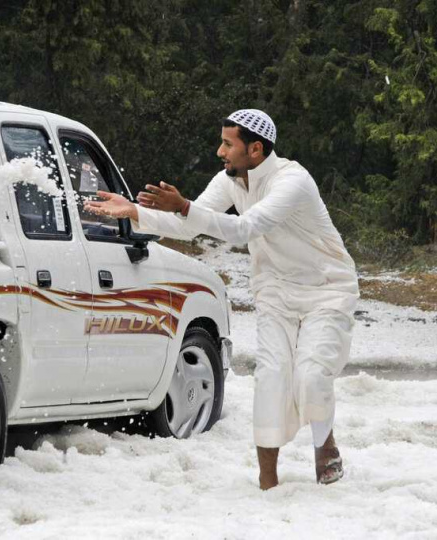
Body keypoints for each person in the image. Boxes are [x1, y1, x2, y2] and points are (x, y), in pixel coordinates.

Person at [84, 109, 359, 489]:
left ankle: (324, 448)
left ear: (256, 149)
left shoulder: (292, 181)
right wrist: (137, 213)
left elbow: (245, 228)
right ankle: (268, 484)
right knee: (271, 378)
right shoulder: (230, 180)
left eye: (228, 144)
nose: (219, 152)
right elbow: (189, 224)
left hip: (326, 288)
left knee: (311, 376)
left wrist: (183, 205)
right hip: (275, 289)